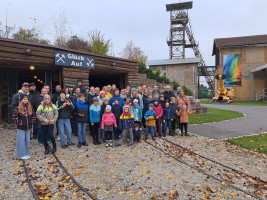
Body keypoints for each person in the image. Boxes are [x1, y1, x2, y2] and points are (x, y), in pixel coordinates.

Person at [12, 95, 36, 159]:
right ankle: (20, 154)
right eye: (24, 99)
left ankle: (26, 153)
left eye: (26, 99)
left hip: (28, 127)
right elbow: (13, 118)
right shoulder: (18, 108)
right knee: (20, 141)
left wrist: (32, 121)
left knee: (27, 141)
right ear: (21, 100)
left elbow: (34, 116)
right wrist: (20, 123)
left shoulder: (30, 108)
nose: (25, 100)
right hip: (21, 127)